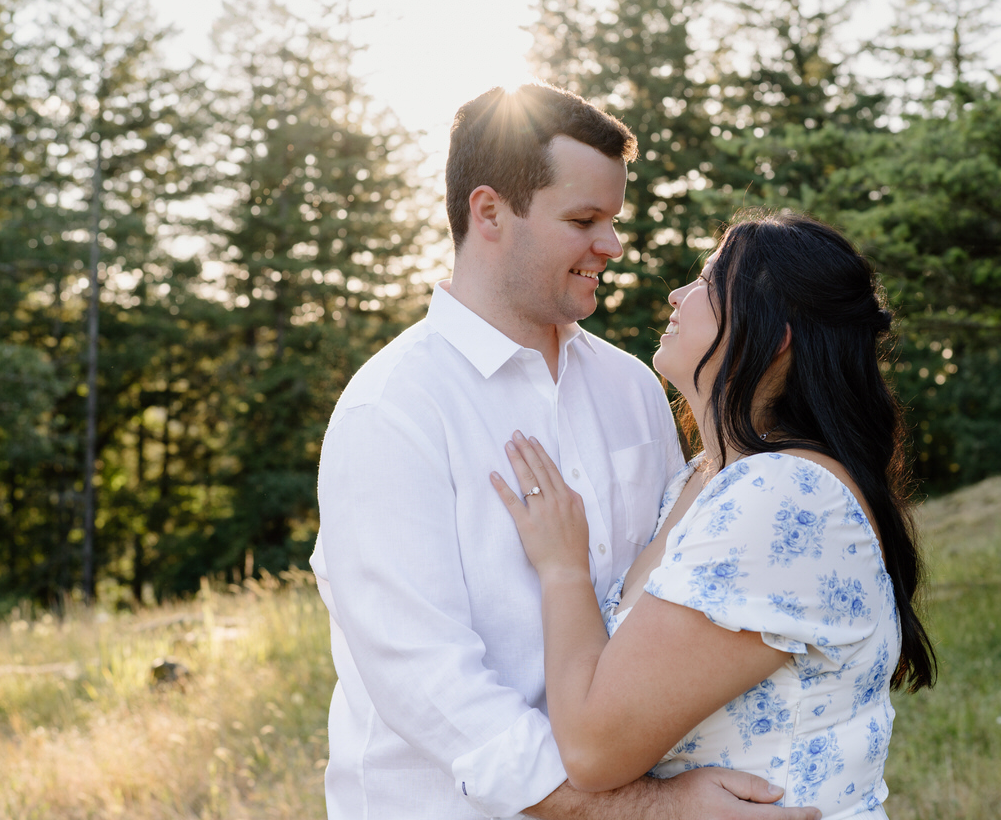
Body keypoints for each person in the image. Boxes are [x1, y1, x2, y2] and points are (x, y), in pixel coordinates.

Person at [310, 84, 823, 820]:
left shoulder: (633, 387)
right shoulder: (393, 408)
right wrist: (647, 810)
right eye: (584, 220)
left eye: (613, 220)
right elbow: (427, 682)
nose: (612, 247)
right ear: (488, 212)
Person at [492, 212, 936, 817]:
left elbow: (593, 750)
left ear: (774, 331)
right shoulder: (702, 477)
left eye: (708, 279)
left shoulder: (783, 498)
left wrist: (563, 570)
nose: (677, 294)